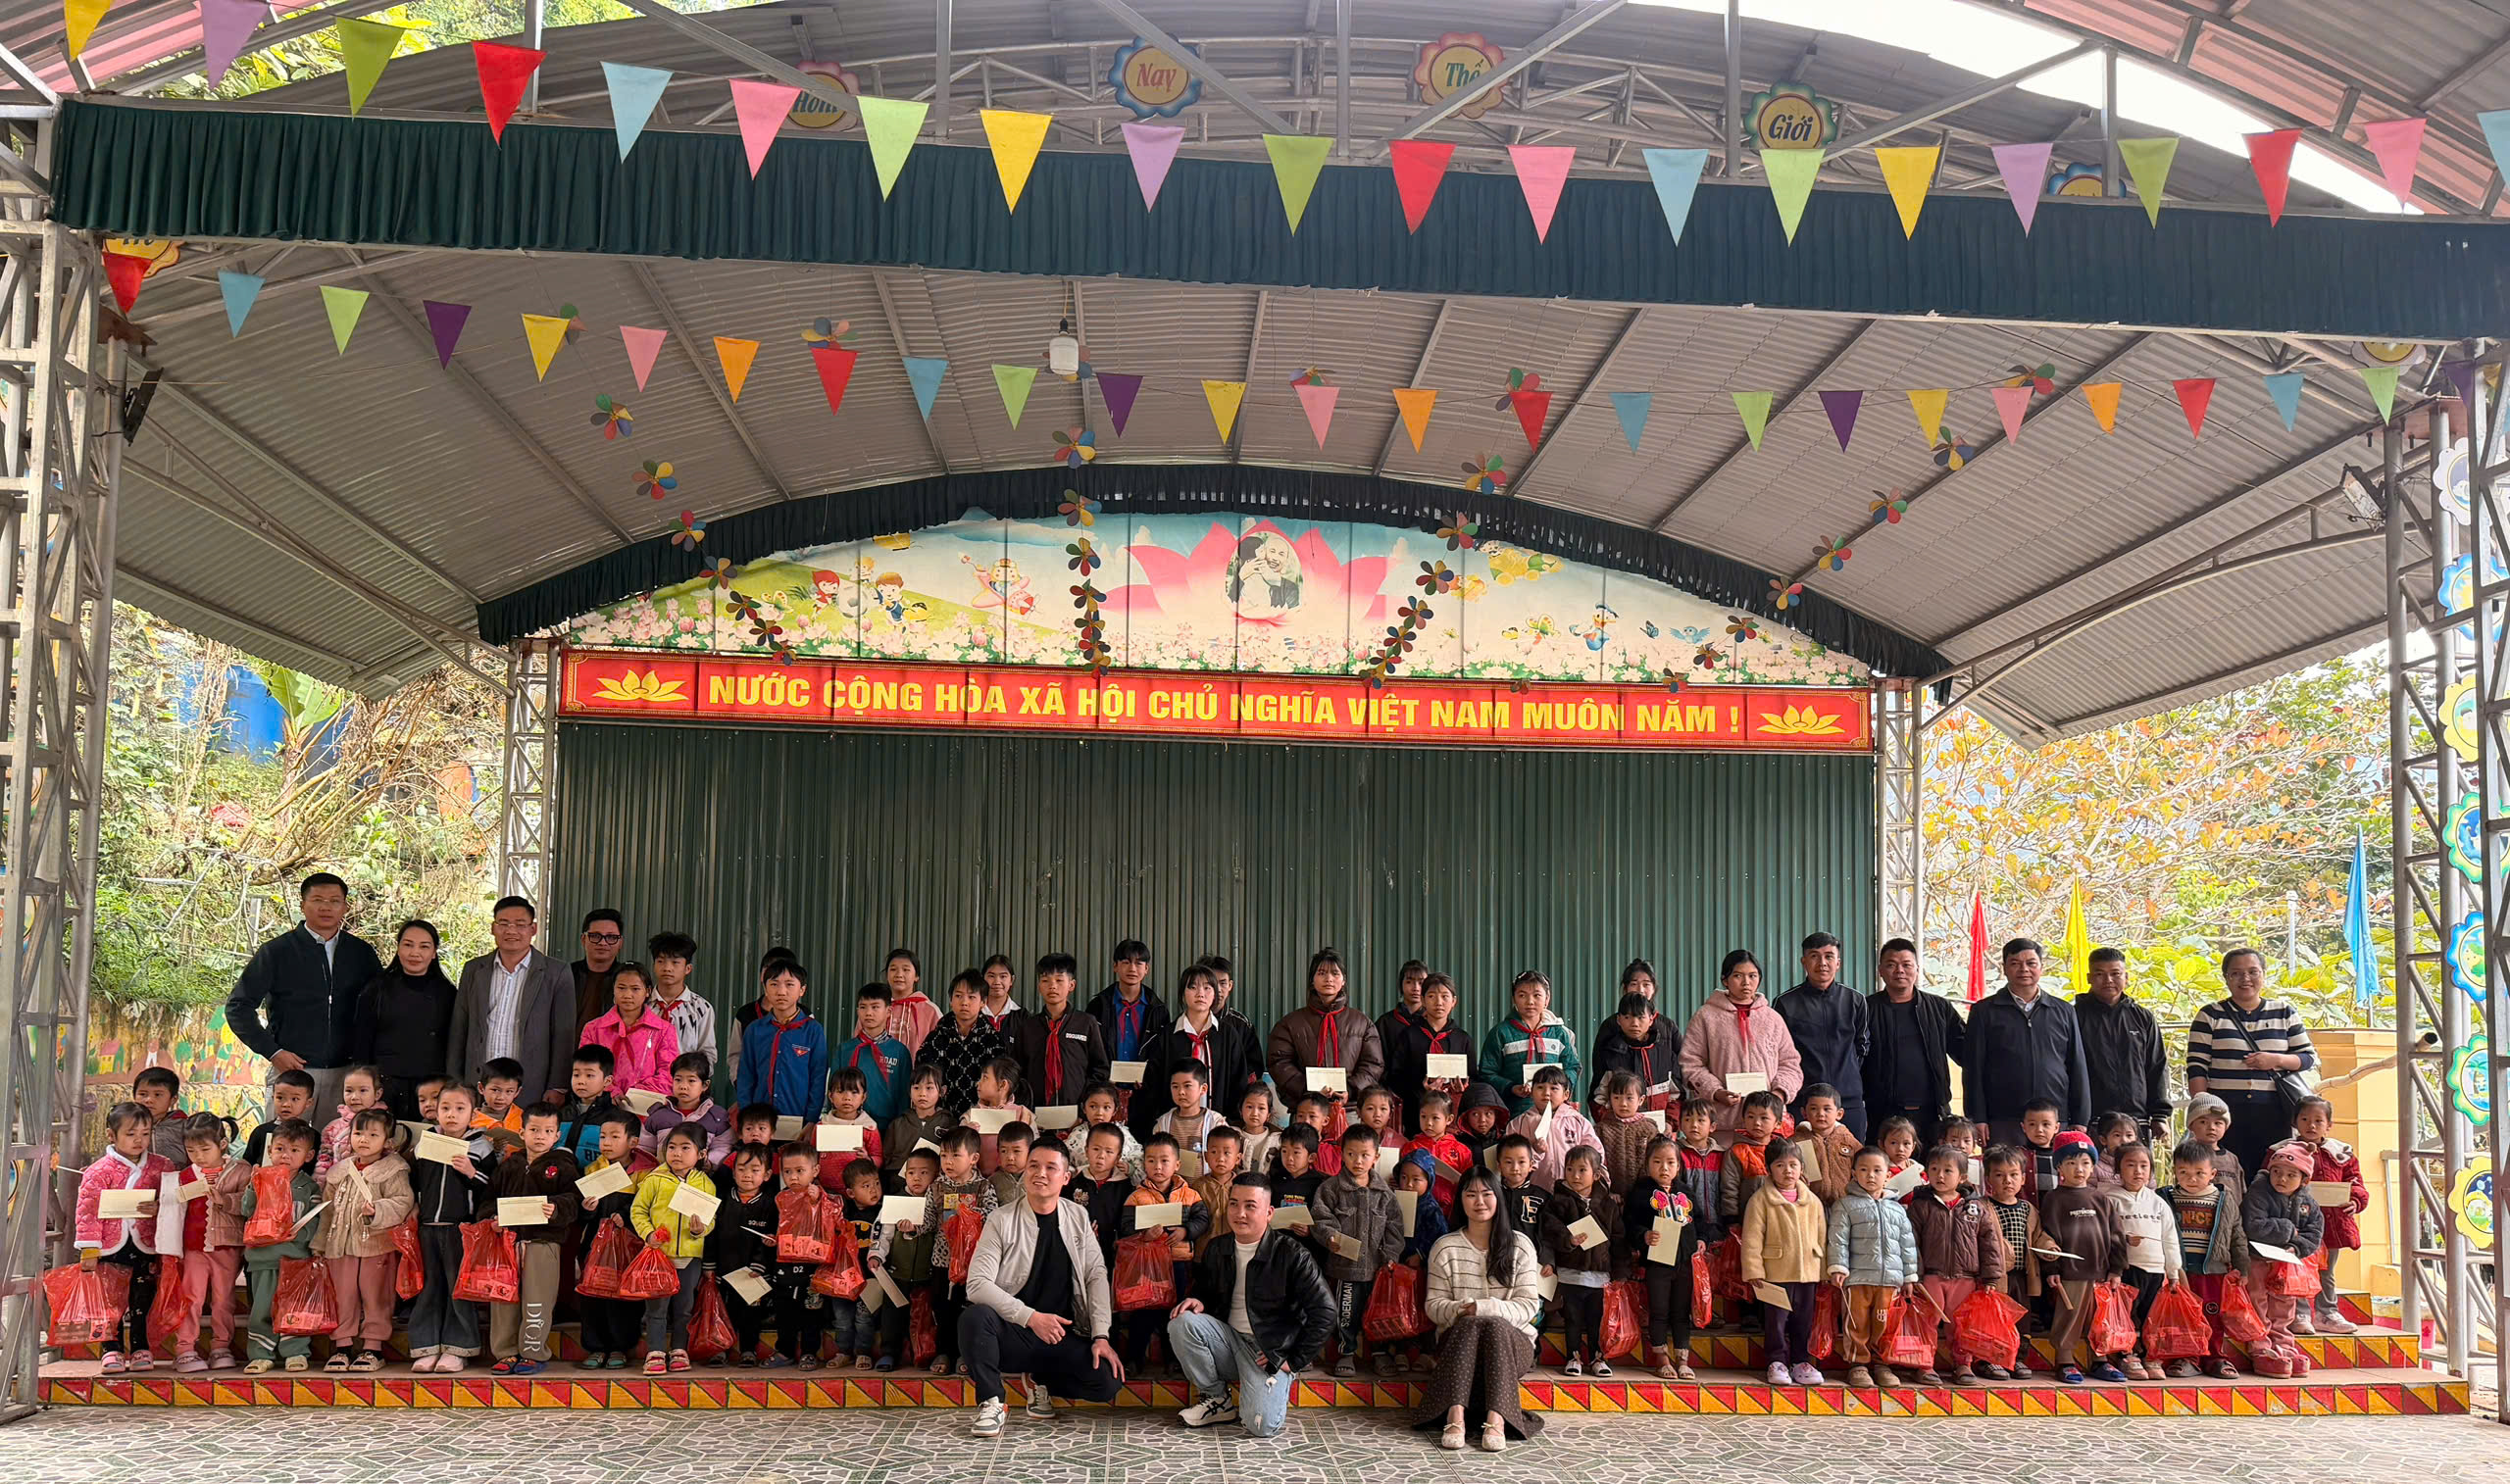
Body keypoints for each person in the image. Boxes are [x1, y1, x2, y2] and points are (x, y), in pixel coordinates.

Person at [960, 1143, 1127, 1437]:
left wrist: (1101, 1335)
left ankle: (1042, 1381)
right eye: (1034, 1166)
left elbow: (1096, 1275)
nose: (1040, 1173)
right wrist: (1031, 1317)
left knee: (1107, 1381)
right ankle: (992, 1401)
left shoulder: (1077, 1216)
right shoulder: (1002, 1219)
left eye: (1051, 1167)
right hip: (1016, 1332)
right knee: (974, 1318)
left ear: (1066, 1177)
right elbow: (977, 1284)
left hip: (1063, 1333)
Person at [1169, 1171, 1334, 1436]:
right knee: (1182, 1322)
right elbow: (1206, 1290)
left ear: (1269, 1212)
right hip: (1227, 1341)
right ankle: (1217, 1399)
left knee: (1261, 1425)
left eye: (1250, 1206)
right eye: (1234, 1204)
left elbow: (1325, 1311)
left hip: (1268, 1351)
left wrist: (1294, 1359)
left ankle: (1268, 1384)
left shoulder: (1292, 1254)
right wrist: (1197, 1300)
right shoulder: (1217, 1248)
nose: (1240, 1213)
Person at [225, 871, 384, 1117]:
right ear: (302, 905)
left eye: (334, 901)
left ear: (345, 907)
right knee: (283, 1139)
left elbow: (380, 1006)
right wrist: (273, 1051)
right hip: (292, 1072)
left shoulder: (361, 953)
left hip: (346, 1075)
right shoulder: (277, 952)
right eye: (317, 900)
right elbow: (238, 1006)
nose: (326, 907)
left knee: (339, 1139)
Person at [1416, 1166, 1544, 1454]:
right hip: (1458, 1347)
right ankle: (1455, 1417)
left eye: (1487, 1194)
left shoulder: (1520, 1245)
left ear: (1498, 1197)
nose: (1479, 1202)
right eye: (1471, 1195)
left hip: (1514, 1346)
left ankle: (1496, 1420)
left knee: (1494, 1325)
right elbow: (1433, 1307)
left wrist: (1483, 1308)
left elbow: (1529, 1306)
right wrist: (1465, 1311)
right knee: (1471, 1323)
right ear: (1460, 1200)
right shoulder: (1445, 1247)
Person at [2184, 947, 2316, 1176]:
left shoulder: (2284, 1012)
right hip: (2224, 1115)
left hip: (2274, 1113)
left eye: (2253, 972)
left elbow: (2307, 1058)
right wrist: (2203, 1112)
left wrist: (2275, 1059)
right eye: (2236, 973)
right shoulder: (2210, 1015)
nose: (2245, 979)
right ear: (2226, 978)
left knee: (2272, 1175)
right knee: (2225, 1175)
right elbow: (2197, 1066)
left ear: (2263, 974)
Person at [447, 895, 578, 1104]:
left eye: (520, 924)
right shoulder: (474, 969)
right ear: (493, 928)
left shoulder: (556, 972)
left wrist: (557, 1086)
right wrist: (456, 1081)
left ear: (533, 929)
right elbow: (460, 1027)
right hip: (478, 1085)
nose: (511, 931)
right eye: (504, 923)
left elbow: (563, 1034)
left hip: (530, 1086)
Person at [76, 1103, 176, 1374]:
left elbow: (174, 1200)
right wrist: (89, 1250)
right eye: (131, 1134)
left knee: (143, 1298)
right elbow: (87, 1212)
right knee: (110, 1300)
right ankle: (111, 1349)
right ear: (112, 1135)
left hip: (146, 1245)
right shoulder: (98, 1171)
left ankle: (142, 1347)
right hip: (110, 1247)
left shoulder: (161, 1166)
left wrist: (161, 1207)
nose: (139, 1140)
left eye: (145, 1133)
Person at [1961, 939, 2091, 1143]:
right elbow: (1973, 1068)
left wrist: (2080, 1118)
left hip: (2055, 1119)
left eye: (2031, 963)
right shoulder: (1984, 1011)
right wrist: (1977, 1117)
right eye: (2015, 963)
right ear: (2004, 968)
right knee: (2005, 1165)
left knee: (2054, 1165)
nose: (2024, 969)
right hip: (2003, 1118)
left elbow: (2077, 1065)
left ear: (2041, 967)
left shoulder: (2063, 1010)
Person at [484, 1105, 581, 1374]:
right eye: (534, 1130)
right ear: (522, 1132)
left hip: (543, 1242)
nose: (540, 1136)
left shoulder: (563, 1166)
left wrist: (557, 1209)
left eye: (548, 1131)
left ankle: (532, 1352)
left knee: (538, 1298)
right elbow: (488, 1199)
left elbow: (574, 1200)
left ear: (557, 1136)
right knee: (503, 1298)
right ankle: (505, 1352)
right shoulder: (509, 1165)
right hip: (507, 1242)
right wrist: (492, 1218)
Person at [1904, 1142, 2005, 1386]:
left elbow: (1989, 1242)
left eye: (1947, 1170)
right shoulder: (1921, 1205)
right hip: (1931, 1276)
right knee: (1927, 1321)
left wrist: (1991, 1277)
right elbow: (1910, 1242)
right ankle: (1924, 1364)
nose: (1940, 1175)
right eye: (1934, 1169)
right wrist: (1913, 1274)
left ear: (1962, 1177)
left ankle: (1963, 1364)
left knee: (1961, 1323)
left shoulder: (1975, 1207)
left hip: (1965, 1277)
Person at [409, 1082, 494, 1370]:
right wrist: (414, 1208)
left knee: (459, 1289)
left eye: (460, 1108)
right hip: (428, 1226)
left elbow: (491, 1189)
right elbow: (415, 1182)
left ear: (473, 1113)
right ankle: (426, 1347)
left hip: (461, 1229)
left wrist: (471, 1172)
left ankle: (458, 1349)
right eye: (445, 1108)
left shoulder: (481, 1146)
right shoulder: (426, 1142)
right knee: (429, 1286)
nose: (452, 1114)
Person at [1311, 1123, 1405, 1377]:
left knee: (1378, 1313)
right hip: (1345, 1268)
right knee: (1346, 1313)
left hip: (1377, 1270)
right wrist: (1330, 1237)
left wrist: (1391, 1257)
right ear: (1342, 1154)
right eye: (1351, 1154)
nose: (1358, 1161)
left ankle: (1380, 1353)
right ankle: (1346, 1352)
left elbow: (1395, 1229)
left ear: (1376, 1157)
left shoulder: (1385, 1194)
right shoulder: (1331, 1188)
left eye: (1365, 1155)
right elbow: (1320, 1217)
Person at [1679, 951, 1802, 1142]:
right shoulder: (1706, 1017)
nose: (1746, 983)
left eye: (1752, 976)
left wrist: (1778, 1095)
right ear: (1725, 980)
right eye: (1738, 976)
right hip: (1722, 1124)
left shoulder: (1772, 1019)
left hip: (1767, 1125)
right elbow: (1691, 1063)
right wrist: (1716, 1092)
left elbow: (1790, 1063)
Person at [1824, 1145, 1919, 1389]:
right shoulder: (1845, 1205)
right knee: (1857, 1323)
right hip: (1857, 1279)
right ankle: (1858, 1364)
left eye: (1877, 1170)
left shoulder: (1897, 1209)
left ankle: (1881, 1364)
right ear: (1854, 1173)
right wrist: (1838, 1267)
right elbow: (1838, 1239)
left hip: (1890, 1281)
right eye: (1864, 1170)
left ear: (1888, 1175)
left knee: (1884, 1323)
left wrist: (1909, 1277)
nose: (1871, 1175)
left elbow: (1907, 1245)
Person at [2037, 1130, 2126, 1384]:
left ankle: (2100, 1360)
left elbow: (2116, 1235)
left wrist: (2116, 1269)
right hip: (2070, 1273)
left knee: (2100, 1319)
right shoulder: (2054, 1199)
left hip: (2100, 1273)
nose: (2079, 1169)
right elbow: (2048, 1236)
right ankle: (2065, 1361)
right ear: (2059, 1167)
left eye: (2086, 1163)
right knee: (2069, 1316)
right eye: (2071, 1163)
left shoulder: (2101, 1199)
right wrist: (2052, 1269)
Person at [630, 1124, 718, 1374]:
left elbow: (711, 1219)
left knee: (684, 1308)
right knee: (656, 1308)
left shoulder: (706, 1184)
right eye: (671, 1147)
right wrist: (648, 1234)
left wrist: (700, 1230)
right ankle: (655, 1352)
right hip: (659, 1256)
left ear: (701, 1154)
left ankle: (680, 1349)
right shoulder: (653, 1180)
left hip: (690, 1257)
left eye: (685, 1148)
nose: (676, 1153)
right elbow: (638, 1211)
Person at [349, 918, 457, 1121]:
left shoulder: (448, 993)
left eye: (424, 946)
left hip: (431, 1088)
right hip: (384, 1085)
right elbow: (361, 1041)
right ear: (398, 948)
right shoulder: (376, 989)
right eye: (408, 945)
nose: (415, 953)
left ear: (434, 953)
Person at [1861, 938, 1964, 1148]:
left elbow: (1967, 1051)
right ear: (1880, 970)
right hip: (1882, 1113)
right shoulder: (1866, 1009)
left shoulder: (1938, 1007)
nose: (1899, 971)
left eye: (1906, 964)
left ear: (1917, 968)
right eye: (1891, 965)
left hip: (1932, 1112)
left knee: (1935, 1165)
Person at [2163, 1137, 2252, 1380]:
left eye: (2199, 1173)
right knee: (2183, 1316)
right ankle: (2187, 1358)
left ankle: (2215, 1358)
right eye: (2184, 1172)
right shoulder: (2167, 1198)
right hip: (2180, 1272)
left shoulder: (2224, 1200)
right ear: (2175, 1171)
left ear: (2212, 1173)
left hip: (2213, 1271)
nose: (2191, 1179)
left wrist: (2243, 1268)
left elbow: (2237, 1235)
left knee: (2212, 1315)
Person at [237, 1120, 320, 1374]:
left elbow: (315, 1220)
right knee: (261, 1309)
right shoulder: (262, 1179)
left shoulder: (309, 1187)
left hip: (296, 1258)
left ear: (308, 1156)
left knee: (294, 1308)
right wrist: (253, 1185)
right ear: (270, 1150)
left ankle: (295, 1352)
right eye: (280, 1149)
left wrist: (302, 1235)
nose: (286, 1155)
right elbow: (246, 1210)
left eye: (295, 1150)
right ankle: (261, 1354)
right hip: (263, 1258)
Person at [169, 1113, 249, 1373]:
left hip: (228, 1246)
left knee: (224, 1298)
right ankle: (185, 1349)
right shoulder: (184, 1175)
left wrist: (225, 1200)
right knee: (191, 1297)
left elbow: (249, 1203)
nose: (199, 1156)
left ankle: (221, 1346)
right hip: (194, 1247)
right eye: (191, 1150)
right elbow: (173, 1209)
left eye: (205, 1149)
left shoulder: (241, 1171)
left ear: (222, 1144)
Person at [1139, 963, 1258, 1136]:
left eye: (1207, 988)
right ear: (1183, 993)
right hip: (1173, 1127)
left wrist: (1231, 1124)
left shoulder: (1227, 1035)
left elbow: (1238, 1082)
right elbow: (1154, 1085)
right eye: (1192, 987)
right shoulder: (1168, 1035)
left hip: (1218, 1128)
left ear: (1215, 994)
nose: (1200, 994)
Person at [1774, 933, 1871, 1139]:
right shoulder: (1785, 1003)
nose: (1822, 963)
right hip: (1803, 1103)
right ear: (1804, 962)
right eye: (1814, 956)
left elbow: (1862, 1046)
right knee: (1804, 1157)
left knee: (1851, 1157)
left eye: (1828, 956)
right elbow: (1779, 1053)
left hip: (1848, 1101)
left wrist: (1847, 1074)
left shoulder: (1855, 1000)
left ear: (1838, 963)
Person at [1533, 1146, 1620, 1378]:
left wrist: (1620, 1272)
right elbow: (1549, 1230)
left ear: (1597, 1175)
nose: (1575, 1175)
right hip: (1570, 1273)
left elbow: (1619, 1238)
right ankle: (1573, 1357)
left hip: (1600, 1275)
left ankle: (1597, 1358)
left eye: (1582, 1170)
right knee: (1572, 1319)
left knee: (1596, 1321)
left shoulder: (1608, 1205)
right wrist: (1568, 1239)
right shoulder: (1557, 1202)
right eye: (1570, 1169)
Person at [1268, 946, 1385, 1109]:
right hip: (1306, 1109)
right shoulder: (1290, 1023)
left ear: (1343, 980)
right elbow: (1278, 1062)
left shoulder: (1362, 1023)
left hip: (1350, 1110)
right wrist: (1309, 1090)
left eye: (1335, 973)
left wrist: (1350, 1090)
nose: (1329, 979)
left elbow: (1373, 1064)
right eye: (1322, 973)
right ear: (1312, 980)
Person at [2075, 947, 2171, 1145]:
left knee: (2136, 1166)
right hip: (2092, 1122)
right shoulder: (2074, 1016)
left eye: (2115, 974)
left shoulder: (2142, 1017)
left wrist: (2160, 1115)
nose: (2108, 980)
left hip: (2136, 1120)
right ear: (2089, 978)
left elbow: (2157, 1066)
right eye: (2100, 974)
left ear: (2126, 977)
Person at [2290, 1096, 2365, 1334]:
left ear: (2329, 1125)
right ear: (2295, 1122)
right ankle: (2300, 1314)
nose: (2311, 1125)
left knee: (2326, 1270)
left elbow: (2355, 1181)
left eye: (2318, 1121)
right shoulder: (2282, 1151)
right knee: (2298, 1267)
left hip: (2330, 1225)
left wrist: (2355, 1201)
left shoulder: (2341, 1153)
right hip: (2297, 1225)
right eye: (2304, 1119)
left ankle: (2327, 1313)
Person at [1473, 969, 1579, 1117]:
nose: (1530, 1001)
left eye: (1537, 995)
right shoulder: (1500, 1033)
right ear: (1514, 999)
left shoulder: (1559, 1033)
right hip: (1516, 1110)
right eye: (1522, 995)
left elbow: (1572, 1066)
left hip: (1555, 1111)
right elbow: (1487, 1072)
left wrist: (1559, 1088)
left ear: (1547, 999)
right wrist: (1511, 1088)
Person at [733, 960, 828, 1120]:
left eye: (789, 984)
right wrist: (746, 1114)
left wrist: (811, 1120)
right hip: (759, 1121)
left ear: (802, 990)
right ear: (765, 989)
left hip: (799, 1119)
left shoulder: (813, 1030)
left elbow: (818, 1079)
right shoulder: (755, 1030)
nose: (781, 992)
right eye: (774, 984)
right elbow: (745, 1077)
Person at [1015, 953, 1107, 1114]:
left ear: (1071, 985)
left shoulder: (1086, 1023)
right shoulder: (1028, 1027)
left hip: (1077, 1112)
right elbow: (1017, 1071)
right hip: (1035, 1113)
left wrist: (1085, 1107)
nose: (1052, 986)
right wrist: (1025, 1107)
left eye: (1059, 980)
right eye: (1045, 981)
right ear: (1039, 986)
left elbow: (1100, 1069)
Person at [1382, 971, 1474, 1136]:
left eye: (1445, 997)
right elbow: (1395, 1076)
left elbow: (1474, 1076)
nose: (1439, 1002)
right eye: (1432, 996)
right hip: (1416, 1116)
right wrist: (1421, 1088)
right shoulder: (1408, 1036)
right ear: (1423, 1000)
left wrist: (1463, 1088)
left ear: (1454, 1001)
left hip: (1452, 1118)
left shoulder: (1463, 1039)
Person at [577, 960, 681, 1101]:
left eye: (635, 989)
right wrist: (611, 1092)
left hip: (647, 1105)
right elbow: (585, 1069)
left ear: (647, 991)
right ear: (613, 989)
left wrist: (636, 1094)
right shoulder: (593, 1029)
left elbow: (668, 1073)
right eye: (621, 988)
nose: (627, 995)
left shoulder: (664, 1030)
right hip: (601, 1103)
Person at [920, 969, 1012, 1116]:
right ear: (951, 1001)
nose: (964, 1002)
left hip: (981, 1118)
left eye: (971, 997)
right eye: (958, 996)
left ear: (983, 1002)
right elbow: (922, 1077)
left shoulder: (993, 1041)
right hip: (939, 1117)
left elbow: (1001, 1085)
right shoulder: (935, 1037)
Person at [1588, 989, 1680, 1116]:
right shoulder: (1610, 1054)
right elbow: (1598, 1098)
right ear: (1618, 1020)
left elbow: (1676, 1094)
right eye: (1627, 1017)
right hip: (1619, 1126)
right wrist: (1610, 1123)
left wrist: (1670, 1122)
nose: (1635, 1024)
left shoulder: (1665, 1052)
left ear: (1651, 1020)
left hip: (1660, 1125)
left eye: (1641, 1017)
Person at [838, 982, 915, 1129]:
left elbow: (904, 1097)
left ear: (889, 1011)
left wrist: (898, 1130)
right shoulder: (844, 1049)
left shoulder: (900, 1052)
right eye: (863, 1007)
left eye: (875, 1007)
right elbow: (834, 1090)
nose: (868, 1013)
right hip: (848, 1127)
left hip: (887, 1128)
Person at [1090, 939, 1170, 1076]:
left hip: (1146, 1085)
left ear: (1146, 969)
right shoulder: (1098, 1006)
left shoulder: (1158, 1010)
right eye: (1126, 962)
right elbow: (1091, 1050)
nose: (1132, 969)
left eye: (1138, 963)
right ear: (1115, 966)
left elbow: (1163, 1053)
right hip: (1105, 1084)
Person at [647, 932, 717, 1079]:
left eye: (675, 962)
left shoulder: (701, 1008)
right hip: (645, 1084)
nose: (667, 968)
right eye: (661, 961)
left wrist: (692, 1080)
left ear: (688, 968)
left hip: (684, 1085)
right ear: (654, 966)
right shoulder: (642, 1005)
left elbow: (707, 1053)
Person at [1592, 959, 1660, 1074]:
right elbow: (1599, 1069)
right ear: (1625, 988)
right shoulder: (1609, 1026)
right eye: (1634, 984)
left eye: (1646, 984)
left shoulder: (1667, 1026)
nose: (1640, 990)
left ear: (1654, 988)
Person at [570, 908, 627, 1032]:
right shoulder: (566, 975)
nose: (602, 943)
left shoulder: (628, 979)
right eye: (595, 936)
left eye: (611, 937)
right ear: (583, 939)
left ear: (620, 942)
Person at [882, 949, 941, 1058]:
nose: (899, 974)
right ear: (887, 975)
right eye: (893, 969)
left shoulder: (930, 1010)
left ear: (916, 976)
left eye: (906, 970)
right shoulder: (876, 1007)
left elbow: (941, 1047)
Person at [1378, 960, 1430, 1068]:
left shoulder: (1433, 1022)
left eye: (1421, 983)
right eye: (1409, 982)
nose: (1416, 988)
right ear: (1401, 984)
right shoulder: (1385, 1023)